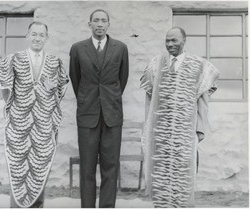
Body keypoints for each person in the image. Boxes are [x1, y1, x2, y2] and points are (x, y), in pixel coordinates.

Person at [140, 27, 220, 208]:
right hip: (160, 134)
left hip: (185, 133)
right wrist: (148, 128)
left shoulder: (199, 66)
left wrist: (199, 130)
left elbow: (203, 101)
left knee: (183, 176)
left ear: (184, 40)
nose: (170, 44)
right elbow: (149, 99)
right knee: (160, 177)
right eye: (167, 41)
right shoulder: (155, 64)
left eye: (174, 41)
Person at [0, 21, 69, 208]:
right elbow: (5, 89)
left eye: (41, 35)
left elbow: (60, 90)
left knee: (40, 169)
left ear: (47, 38)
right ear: (27, 36)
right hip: (18, 127)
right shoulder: (14, 59)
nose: (37, 38)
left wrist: (45, 107)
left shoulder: (55, 62)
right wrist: (18, 109)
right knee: (17, 169)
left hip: (43, 128)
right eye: (34, 34)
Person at [69, 9, 129, 208]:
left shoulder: (120, 48)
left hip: (112, 115)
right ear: (90, 24)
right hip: (88, 116)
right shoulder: (78, 49)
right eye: (96, 21)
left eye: (104, 21)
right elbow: (76, 80)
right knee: (87, 167)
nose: (100, 24)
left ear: (109, 24)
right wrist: (88, 100)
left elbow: (122, 79)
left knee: (110, 167)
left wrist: (108, 99)